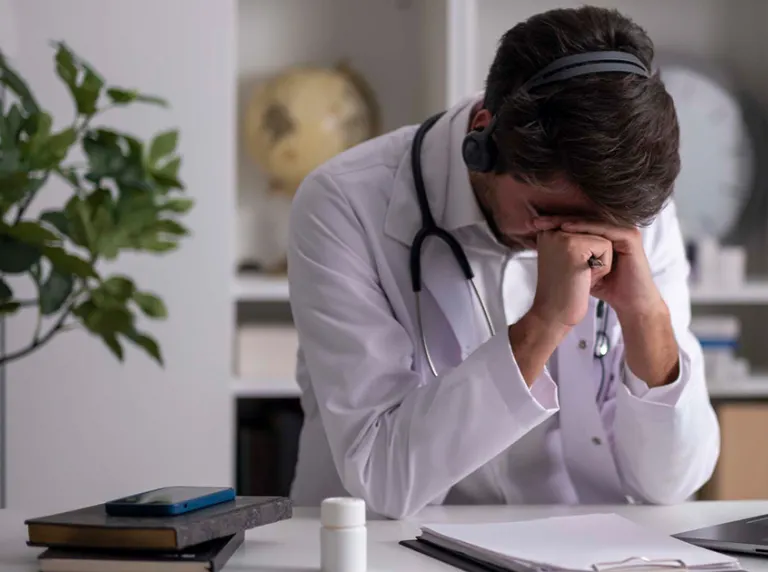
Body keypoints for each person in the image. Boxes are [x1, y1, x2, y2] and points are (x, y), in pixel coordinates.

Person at [286, 5, 720, 519]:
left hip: (581, 544)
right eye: (548, 214)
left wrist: (647, 317)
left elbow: (673, 482)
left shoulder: (628, 201)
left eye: (600, 226)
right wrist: (545, 323)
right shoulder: (343, 205)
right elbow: (382, 476)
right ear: (483, 141)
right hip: (387, 544)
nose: (575, 241)